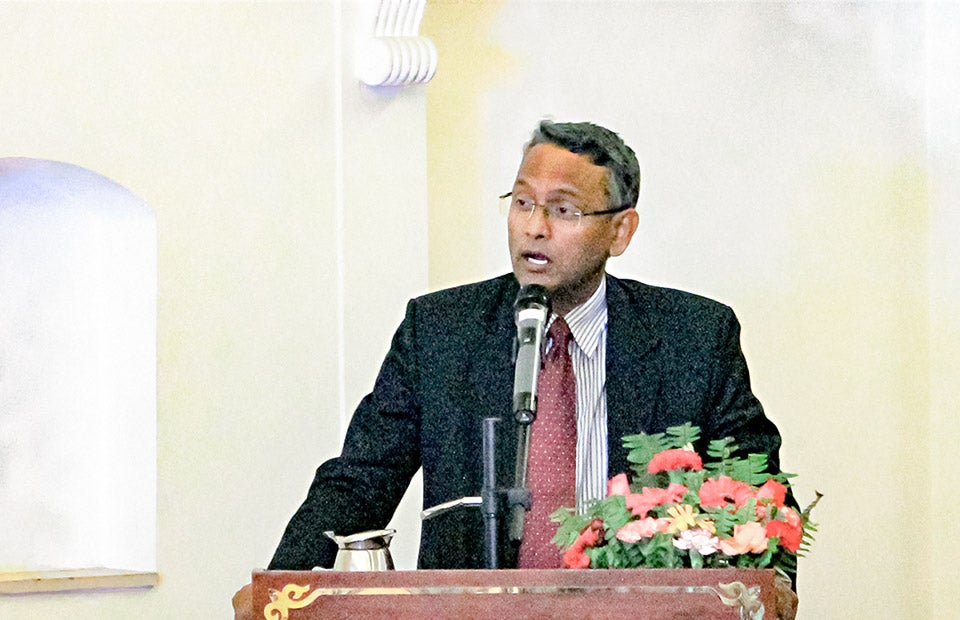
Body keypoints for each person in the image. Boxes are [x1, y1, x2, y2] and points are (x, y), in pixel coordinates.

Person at [233, 121, 797, 619]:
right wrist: (282, 587)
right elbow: (360, 480)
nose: (534, 227)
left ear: (620, 231)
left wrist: (769, 593)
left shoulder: (692, 337)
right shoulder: (439, 330)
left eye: (565, 210)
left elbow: (757, 494)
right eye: (523, 203)